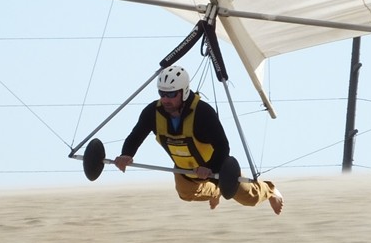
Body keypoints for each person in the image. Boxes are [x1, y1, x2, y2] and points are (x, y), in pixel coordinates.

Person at [113, 65, 283, 214]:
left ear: (184, 92)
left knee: (250, 198)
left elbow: (223, 146)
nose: (165, 99)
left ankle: (270, 189)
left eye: (171, 94)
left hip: (216, 167)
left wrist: (210, 169)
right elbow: (136, 135)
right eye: (162, 93)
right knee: (185, 194)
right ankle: (215, 192)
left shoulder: (203, 113)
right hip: (186, 170)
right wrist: (126, 154)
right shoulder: (152, 112)